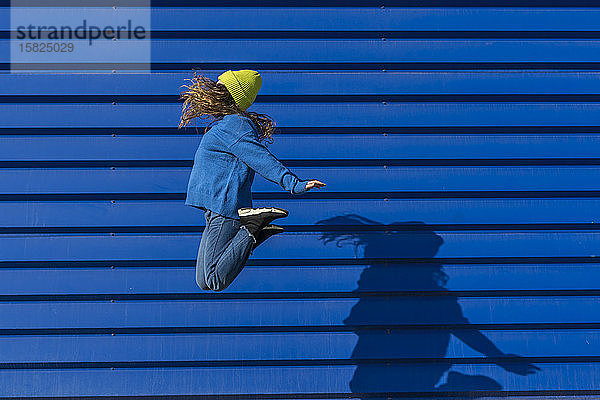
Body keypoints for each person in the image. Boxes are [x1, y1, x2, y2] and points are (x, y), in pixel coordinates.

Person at [178, 69, 326, 292]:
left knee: (215, 280)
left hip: (224, 206)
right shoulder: (229, 124)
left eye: (221, 88)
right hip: (213, 208)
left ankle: (251, 229)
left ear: (231, 95)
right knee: (203, 281)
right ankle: (254, 233)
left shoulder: (235, 126)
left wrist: (294, 184)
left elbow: (261, 158)